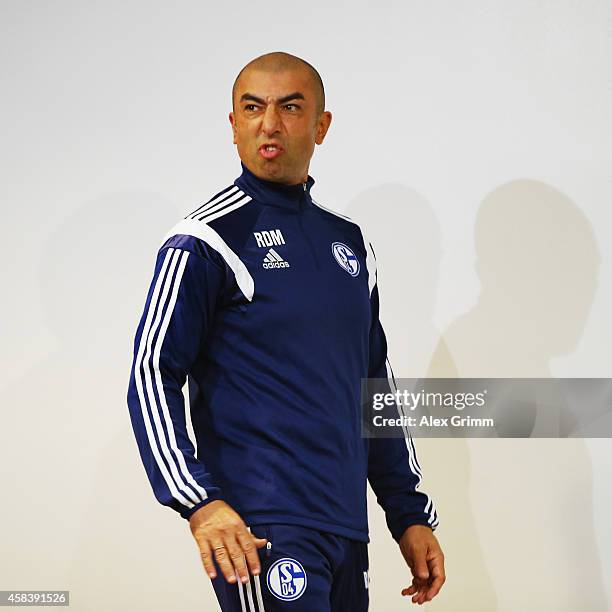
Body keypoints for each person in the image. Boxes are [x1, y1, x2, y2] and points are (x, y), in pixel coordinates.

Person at [126, 51, 445, 611]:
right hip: (263, 529)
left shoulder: (350, 244)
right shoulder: (205, 241)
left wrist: (408, 513)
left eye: (290, 108)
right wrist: (199, 501)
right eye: (253, 108)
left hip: (347, 528)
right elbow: (152, 373)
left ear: (321, 125)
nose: (269, 124)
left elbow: (375, 389)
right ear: (233, 125)